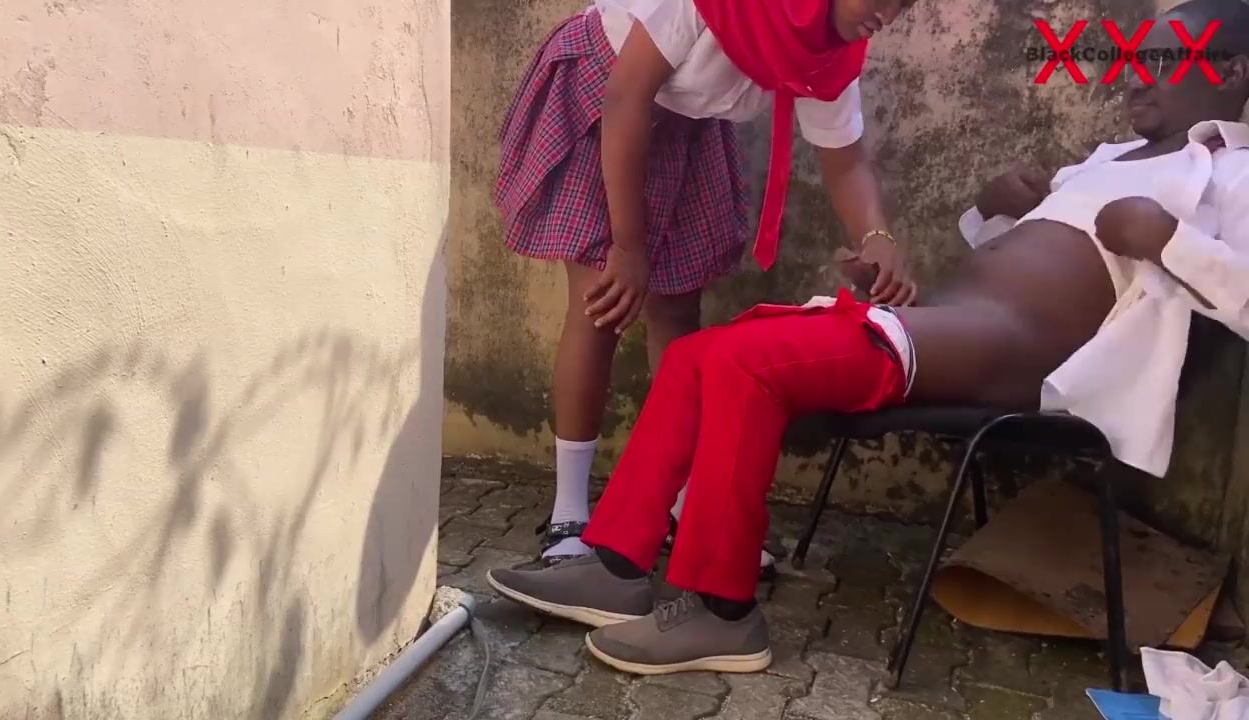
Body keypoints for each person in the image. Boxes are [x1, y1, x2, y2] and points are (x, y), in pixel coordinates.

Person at [485, 0, 1249, 676]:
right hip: (952, 323)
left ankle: (722, 612)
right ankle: (616, 563)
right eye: (1136, 58)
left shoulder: (1235, 173)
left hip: (1022, 354)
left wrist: (1168, 239)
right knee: (692, 356)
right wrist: (992, 211)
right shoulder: (1108, 161)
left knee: (748, 363)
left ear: (1234, 69)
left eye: (1164, 58)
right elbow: (1020, 256)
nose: (1137, 75)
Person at [496, 0, 921, 570]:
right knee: (603, 303)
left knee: (677, 313)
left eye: (905, 4)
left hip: (687, 124)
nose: (890, 15)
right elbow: (626, 96)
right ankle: (569, 512)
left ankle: (677, 506)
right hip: (608, 96)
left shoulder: (828, 51)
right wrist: (629, 247)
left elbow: (845, 161)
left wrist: (877, 237)